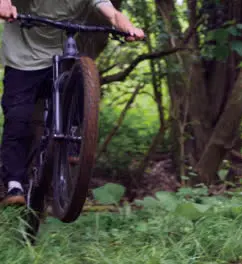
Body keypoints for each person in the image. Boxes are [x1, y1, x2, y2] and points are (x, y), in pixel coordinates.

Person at [0, 0, 144, 206]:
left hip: (59, 54)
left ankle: (70, 144)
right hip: (22, 59)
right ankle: (13, 183)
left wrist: (129, 27)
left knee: (79, 89)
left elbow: (112, 14)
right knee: (18, 117)